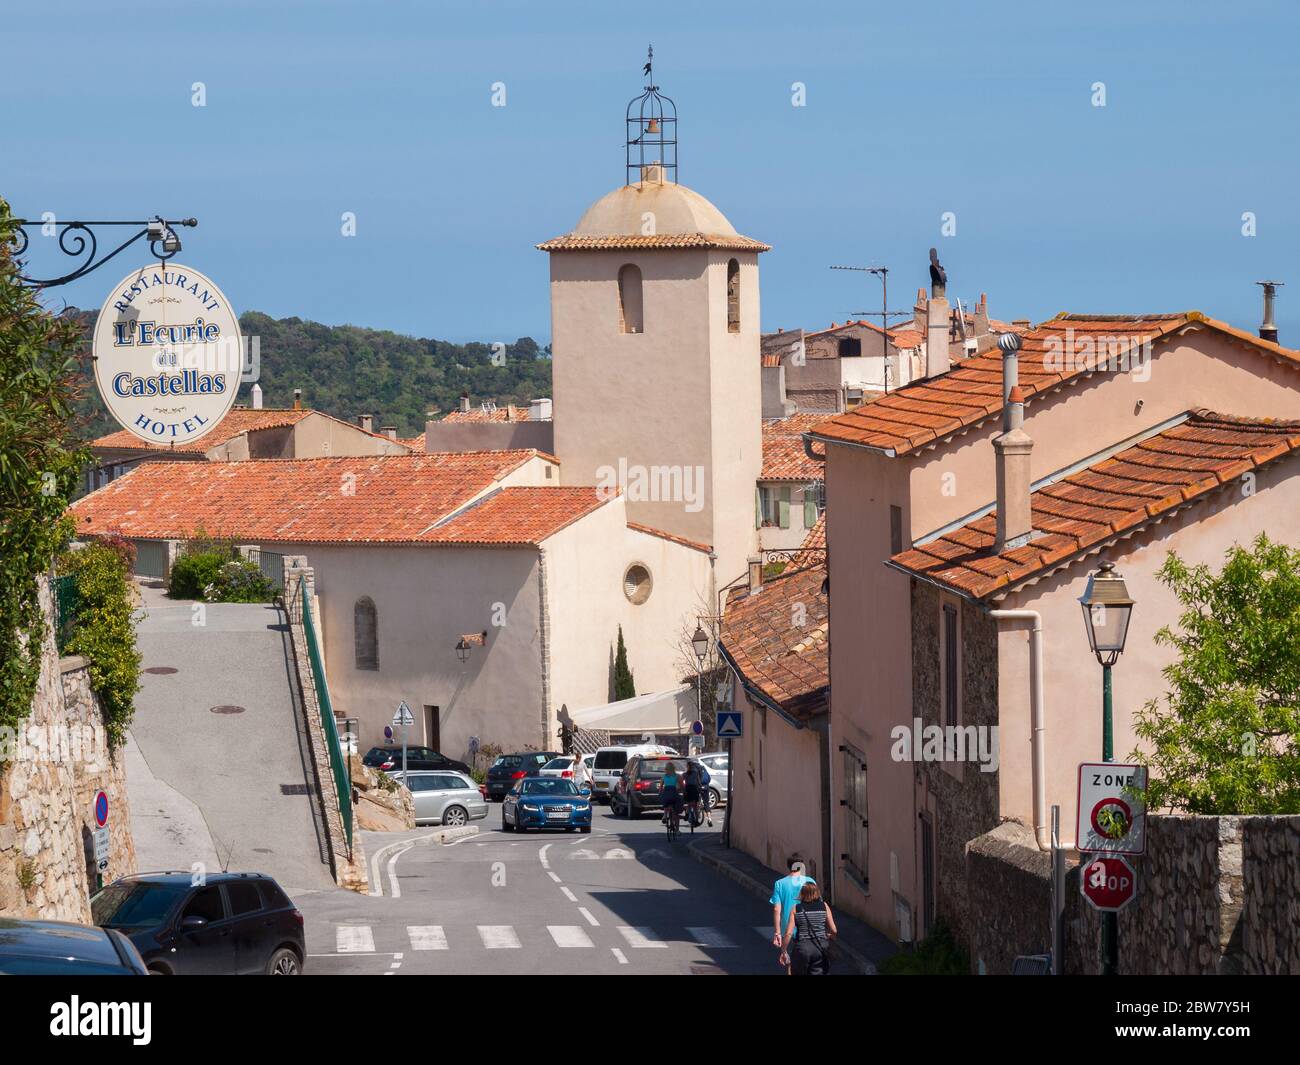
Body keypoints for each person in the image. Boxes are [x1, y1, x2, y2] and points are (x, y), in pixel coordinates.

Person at [770, 854, 815, 970]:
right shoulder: (810, 882)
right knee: (811, 966)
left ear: (788, 866)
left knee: (791, 965)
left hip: (788, 930)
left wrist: (777, 933)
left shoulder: (780, 883)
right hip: (809, 928)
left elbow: (776, 909)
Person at [782, 881, 837, 975]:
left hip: (803, 948)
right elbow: (834, 930)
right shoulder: (824, 906)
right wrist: (830, 936)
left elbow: (789, 933)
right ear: (817, 893)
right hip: (821, 947)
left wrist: (784, 950)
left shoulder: (796, 908)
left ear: (802, 894)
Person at [660, 761, 682, 830]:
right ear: (674, 768)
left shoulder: (663, 777)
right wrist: (683, 791)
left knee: (666, 802)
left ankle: (665, 815)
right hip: (674, 793)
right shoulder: (677, 776)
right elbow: (682, 786)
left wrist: (660, 792)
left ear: (666, 769)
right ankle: (677, 830)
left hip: (666, 793)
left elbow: (660, 787)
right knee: (676, 813)